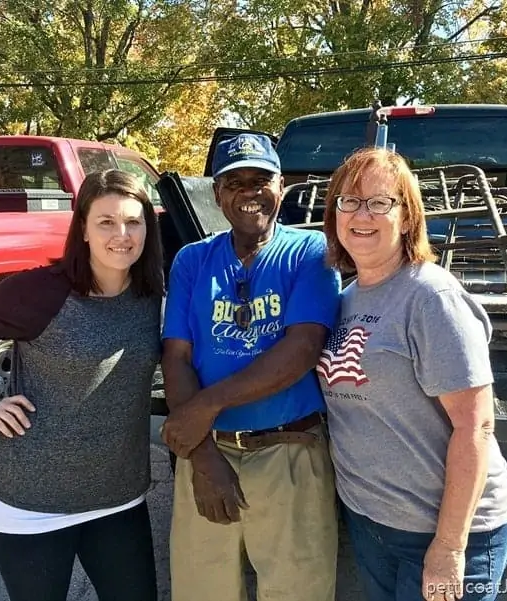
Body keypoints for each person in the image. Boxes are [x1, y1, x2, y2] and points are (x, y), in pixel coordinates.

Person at [0, 169, 164, 601]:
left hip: (117, 499)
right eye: (106, 222)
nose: (122, 234)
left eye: (133, 221)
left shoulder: (151, 293)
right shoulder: (40, 291)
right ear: (82, 228)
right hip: (27, 505)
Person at [317, 147, 507, 601]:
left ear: (407, 217)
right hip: (372, 523)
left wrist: (448, 546)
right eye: (348, 201)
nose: (360, 214)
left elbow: (477, 424)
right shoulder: (345, 298)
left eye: (379, 202)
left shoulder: (430, 296)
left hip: (439, 530)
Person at [161, 132, 342, 601]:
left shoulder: (310, 252)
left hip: (290, 449)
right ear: (217, 194)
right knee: (202, 591)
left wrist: (207, 405)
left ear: (281, 186)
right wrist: (201, 457)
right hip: (207, 452)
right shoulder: (192, 260)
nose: (248, 192)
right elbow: (176, 356)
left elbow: (301, 349)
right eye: (234, 182)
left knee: (297, 591)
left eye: (260, 179)